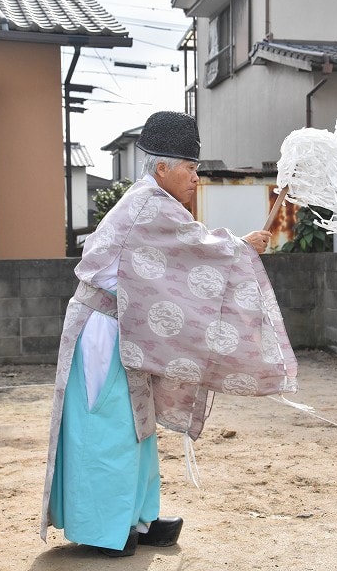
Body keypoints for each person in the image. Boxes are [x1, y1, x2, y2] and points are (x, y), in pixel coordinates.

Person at [40, 111, 298, 557]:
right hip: (104, 329)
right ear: (162, 168)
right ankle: (107, 525)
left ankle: (138, 517)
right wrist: (240, 247)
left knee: (135, 425)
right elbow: (199, 253)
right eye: (191, 169)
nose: (195, 178)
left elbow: (186, 256)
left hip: (125, 326)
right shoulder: (150, 204)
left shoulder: (155, 202)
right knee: (108, 423)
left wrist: (237, 247)